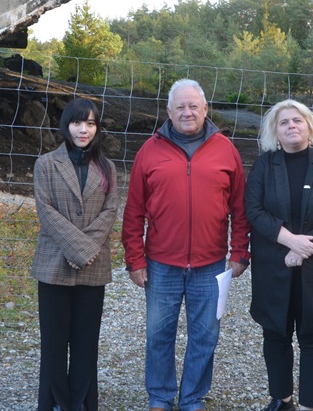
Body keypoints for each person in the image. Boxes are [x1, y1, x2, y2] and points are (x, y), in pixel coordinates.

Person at [121, 78, 251, 411]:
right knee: (158, 336)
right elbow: (134, 210)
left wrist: (239, 252)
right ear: (168, 111)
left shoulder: (226, 150)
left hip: (210, 265)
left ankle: (192, 398)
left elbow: (241, 207)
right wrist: (135, 259)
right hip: (161, 264)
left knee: (205, 337)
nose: (187, 112)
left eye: (194, 105)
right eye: (180, 106)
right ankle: (161, 397)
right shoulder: (150, 151)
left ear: (206, 109)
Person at [245, 99, 313, 411]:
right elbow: (254, 209)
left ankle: (310, 405)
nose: (292, 126)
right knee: (275, 331)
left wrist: (303, 250)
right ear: (275, 132)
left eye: (297, 120)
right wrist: (289, 241)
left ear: (309, 126)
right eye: (284, 122)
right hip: (273, 263)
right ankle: (282, 399)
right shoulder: (264, 166)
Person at [31, 97, 119, 411]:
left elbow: (110, 212)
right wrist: (78, 248)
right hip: (54, 264)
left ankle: (82, 402)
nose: (84, 129)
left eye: (91, 123)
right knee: (54, 343)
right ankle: (55, 402)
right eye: (77, 122)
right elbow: (46, 210)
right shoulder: (46, 163)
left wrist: (83, 250)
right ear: (66, 125)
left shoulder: (107, 167)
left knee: (85, 343)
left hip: (92, 268)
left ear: (97, 128)